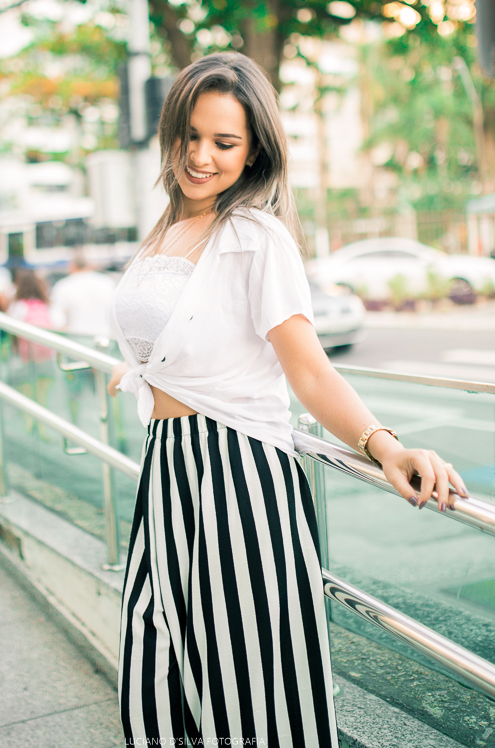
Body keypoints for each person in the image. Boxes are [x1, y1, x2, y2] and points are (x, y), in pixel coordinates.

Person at [106, 52, 469, 748]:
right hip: (168, 472)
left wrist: (386, 446)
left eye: (225, 142)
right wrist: (140, 372)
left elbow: (309, 372)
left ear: (253, 154)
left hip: (237, 475)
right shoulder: (166, 231)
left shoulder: (253, 236)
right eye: (191, 135)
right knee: (154, 680)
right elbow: (174, 333)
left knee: (255, 694)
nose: (201, 156)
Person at [50, 250, 116, 338]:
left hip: (77, 343)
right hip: (106, 340)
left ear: (72, 266)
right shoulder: (108, 283)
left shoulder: (63, 286)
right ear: (90, 265)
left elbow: (58, 322)